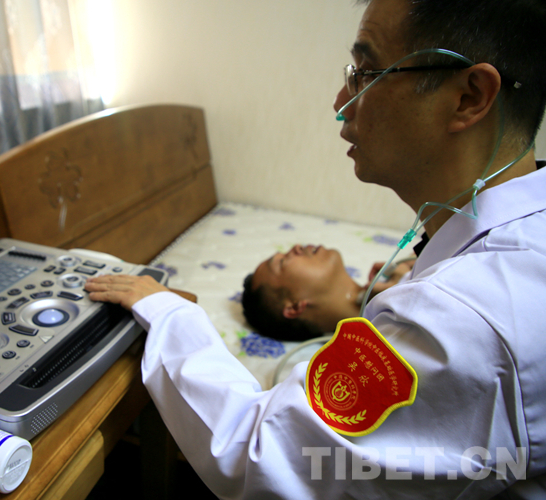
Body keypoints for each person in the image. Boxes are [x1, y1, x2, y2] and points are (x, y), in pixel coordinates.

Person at [85, 0, 546, 497]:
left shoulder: (456, 319)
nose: (340, 101)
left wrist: (170, 313)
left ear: (468, 97)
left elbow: (260, 455)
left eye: (366, 73)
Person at [241, 244, 415, 341]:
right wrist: (406, 291)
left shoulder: (412, 265)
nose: (296, 247)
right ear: (294, 306)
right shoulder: (382, 343)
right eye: (283, 261)